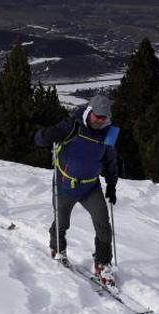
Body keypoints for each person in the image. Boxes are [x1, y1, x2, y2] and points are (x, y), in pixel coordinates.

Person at [34, 94, 120, 286]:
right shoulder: (71, 125)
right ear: (90, 112)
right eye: (98, 116)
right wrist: (47, 136)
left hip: (91, 186)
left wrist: (112, 184)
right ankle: (58, 249)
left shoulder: (109, 133)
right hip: (66, 184)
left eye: (104, 118)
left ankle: (103, 263)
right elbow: (39, 139)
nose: (100, 121)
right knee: (62, 222)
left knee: (103, 225)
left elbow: (110, 160)